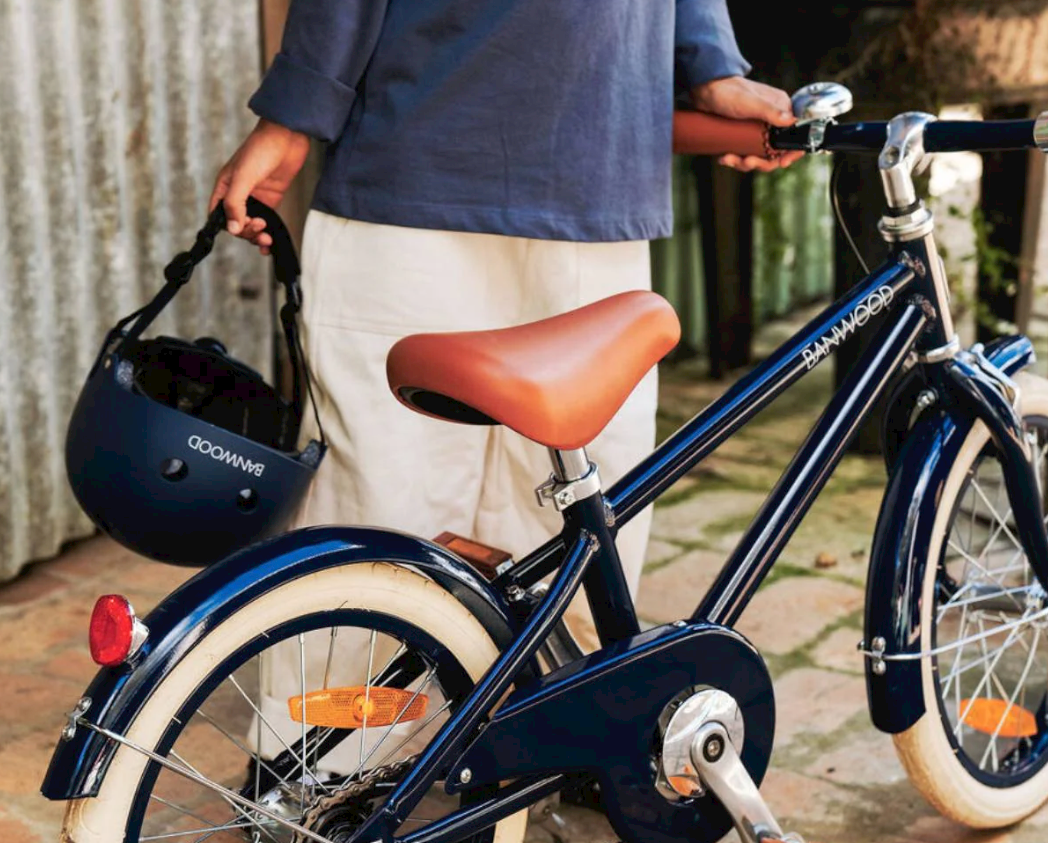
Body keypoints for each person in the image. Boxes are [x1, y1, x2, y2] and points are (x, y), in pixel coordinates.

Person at [212, 1, 799, 757]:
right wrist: (297, 110)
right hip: (420, 155)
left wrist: (711, 64)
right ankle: (327, 759)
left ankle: (553, 740)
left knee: (579, 505)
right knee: (387, 494)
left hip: (599, 162)